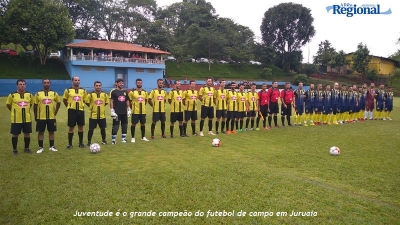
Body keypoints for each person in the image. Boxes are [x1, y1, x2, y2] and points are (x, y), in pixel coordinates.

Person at [6, 79, 35, 155]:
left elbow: (31, 104)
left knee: (27, 134)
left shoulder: (29, 95)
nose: (22, 85)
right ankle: (15, 150)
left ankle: (27, 148)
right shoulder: (12, 95)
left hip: (27, 119)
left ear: (25, 85)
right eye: (20, 84)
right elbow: (8, 105)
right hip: (16, 119)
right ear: (17, 85)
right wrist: (14, 111)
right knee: (15, 134)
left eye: (23, 84)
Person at [34, 78, 61, 153]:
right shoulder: (38, 94)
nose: (46, 84)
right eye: (45, 82)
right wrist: (36, 116)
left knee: (51, 132)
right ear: (42, 84)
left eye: (48, 82)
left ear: (50, 84)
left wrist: (55, 112)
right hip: (41, 117)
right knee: (41, 132)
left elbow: (58, 103)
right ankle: (40, 147)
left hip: (51, 117)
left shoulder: (54, 93)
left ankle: (52, 146)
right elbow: (35, 105)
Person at [63, 76, 87, 149]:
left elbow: (85, 100)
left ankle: (81, 143)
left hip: (80, 111)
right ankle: (70, 144)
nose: (77, 81)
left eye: (78, 80)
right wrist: (69, 106)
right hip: (72, 111)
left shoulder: (83, 90)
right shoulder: (68, 90)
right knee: (71, 128)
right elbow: (64, 99)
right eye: (75, 80)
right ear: (72, 81)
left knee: (81, 127)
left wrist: (81, 105)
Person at [85, 81, 109, 146]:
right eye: (96, 85)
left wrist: (101, 107)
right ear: (94, 86)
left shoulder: (104, 94)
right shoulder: (90, 95)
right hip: (93, 116)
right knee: (91, 129)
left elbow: (106, 103)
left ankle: (103, 140)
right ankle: (89, 142)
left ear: (101, 86)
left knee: (103, 128)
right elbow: (87, 102)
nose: (98, 87)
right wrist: (92, 107)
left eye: (99, 85)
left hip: (102, 115)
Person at [109, 78, 131, 144]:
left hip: (124, 112)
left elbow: (127, 100)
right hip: (117, 112)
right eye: (120, 83)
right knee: (116, 126)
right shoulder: (113, 91)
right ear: (117, 84)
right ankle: (113, 140)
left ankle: (123, 139)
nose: (121, 84)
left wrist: (129, 109)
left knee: (124, 125)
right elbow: (111, 101)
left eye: (122, 83)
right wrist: (112, 110)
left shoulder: (125, 92)